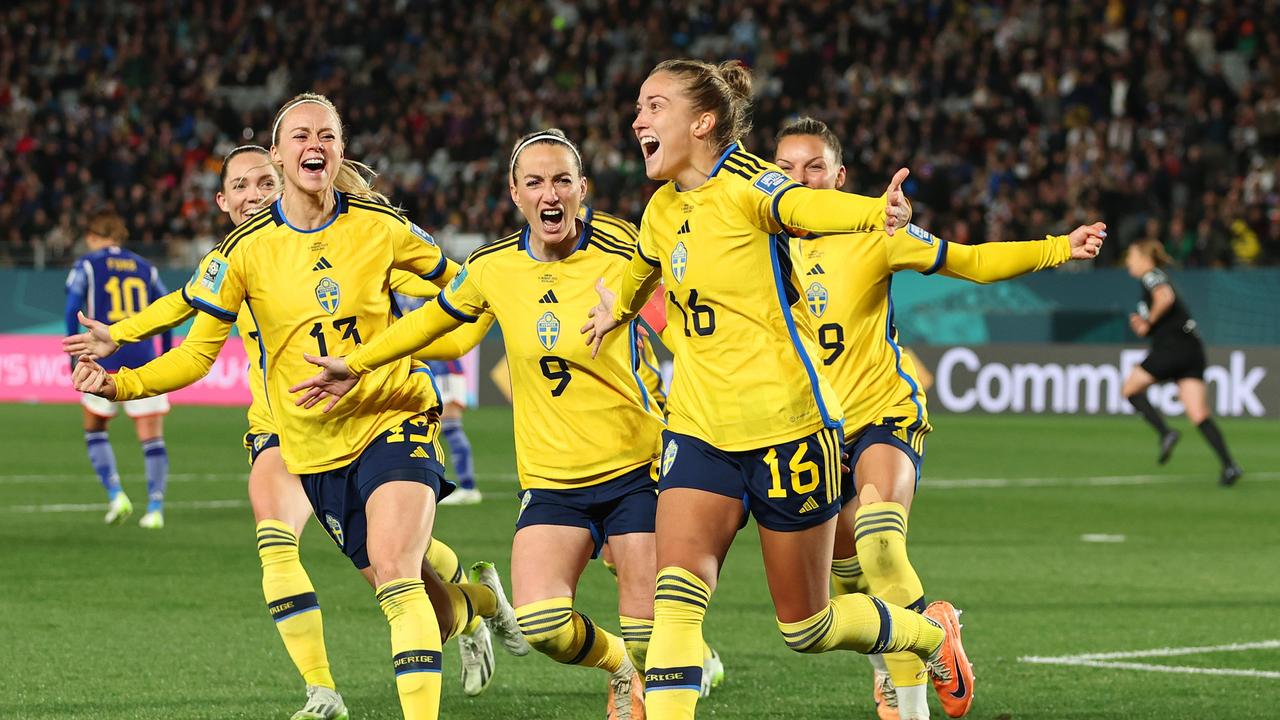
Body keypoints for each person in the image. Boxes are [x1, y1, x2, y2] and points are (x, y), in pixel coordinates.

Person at [72, 93, 523, 720]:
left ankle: (324, 690)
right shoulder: (237, 256)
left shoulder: (377, 227)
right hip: (298, 431)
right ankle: (479, 603)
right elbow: (190, 328)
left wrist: (444, 329)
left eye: (327, 136)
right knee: (422, 597)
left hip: (390, 412)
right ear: (231, 196)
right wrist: (119, 368)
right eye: (244, 183)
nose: (257, 191)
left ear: (337, 151)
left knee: (391, 574)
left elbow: (461, 290)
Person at [579, 59, 970, 719]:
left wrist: (876, 212)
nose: (637, 120)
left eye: (653, 106)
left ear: (702, 121)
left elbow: (803, 205)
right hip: (700, 431)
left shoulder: (749, 182)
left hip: (788, 429)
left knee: (806, 626)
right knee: (675, 604)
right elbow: (644, 267)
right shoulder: (661, 207)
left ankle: (929, 633)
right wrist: (611, 306)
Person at [291, 129, 681, 720]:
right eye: (534, 182)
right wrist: (359, 363)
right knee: (542, 624)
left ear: (582, 189)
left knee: (650, 623)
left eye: (560, 181)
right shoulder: (493, 267)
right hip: (552, 480)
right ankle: (619, 667)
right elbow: (434, 325)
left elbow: (682, 303)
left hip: (637, 465)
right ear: (514, 194)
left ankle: (650, 681)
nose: (549, 194)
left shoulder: (626, 247)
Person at [773, 117, 1105, 720]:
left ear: (840, 177)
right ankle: (905, 651)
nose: (801, 179)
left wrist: (1061, 246)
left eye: (814, 166)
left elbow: (971, 261)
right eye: (788, 169)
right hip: (812, 429)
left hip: (882, 413)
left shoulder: (878, 230)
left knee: (877, 545)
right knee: (843, 578)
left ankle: (914, 703)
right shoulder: (759, 243)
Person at [64, 210, 172, 529]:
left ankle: (116, 494)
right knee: (151, 438)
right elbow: (165, 311)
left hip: (102, 359)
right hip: (143, 359)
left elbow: (73, 306)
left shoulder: (87, 264)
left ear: (93, 236)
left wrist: (75, 351)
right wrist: (164, 353)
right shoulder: (146, 268)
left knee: (95, 429)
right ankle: (155, 508)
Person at [1122, 240, 1243, 486]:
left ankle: (1166, 432)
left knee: (1130, 389)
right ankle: (1229, 465)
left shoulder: (1151, 275)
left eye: (1131, 256)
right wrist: (1147, 326)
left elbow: (1165, 297)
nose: (1127, 261)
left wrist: (1148, 323)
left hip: (1173, 346)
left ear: (1145, 258)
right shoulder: (1155, 276)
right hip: (1192, 347)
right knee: (1199, 414)